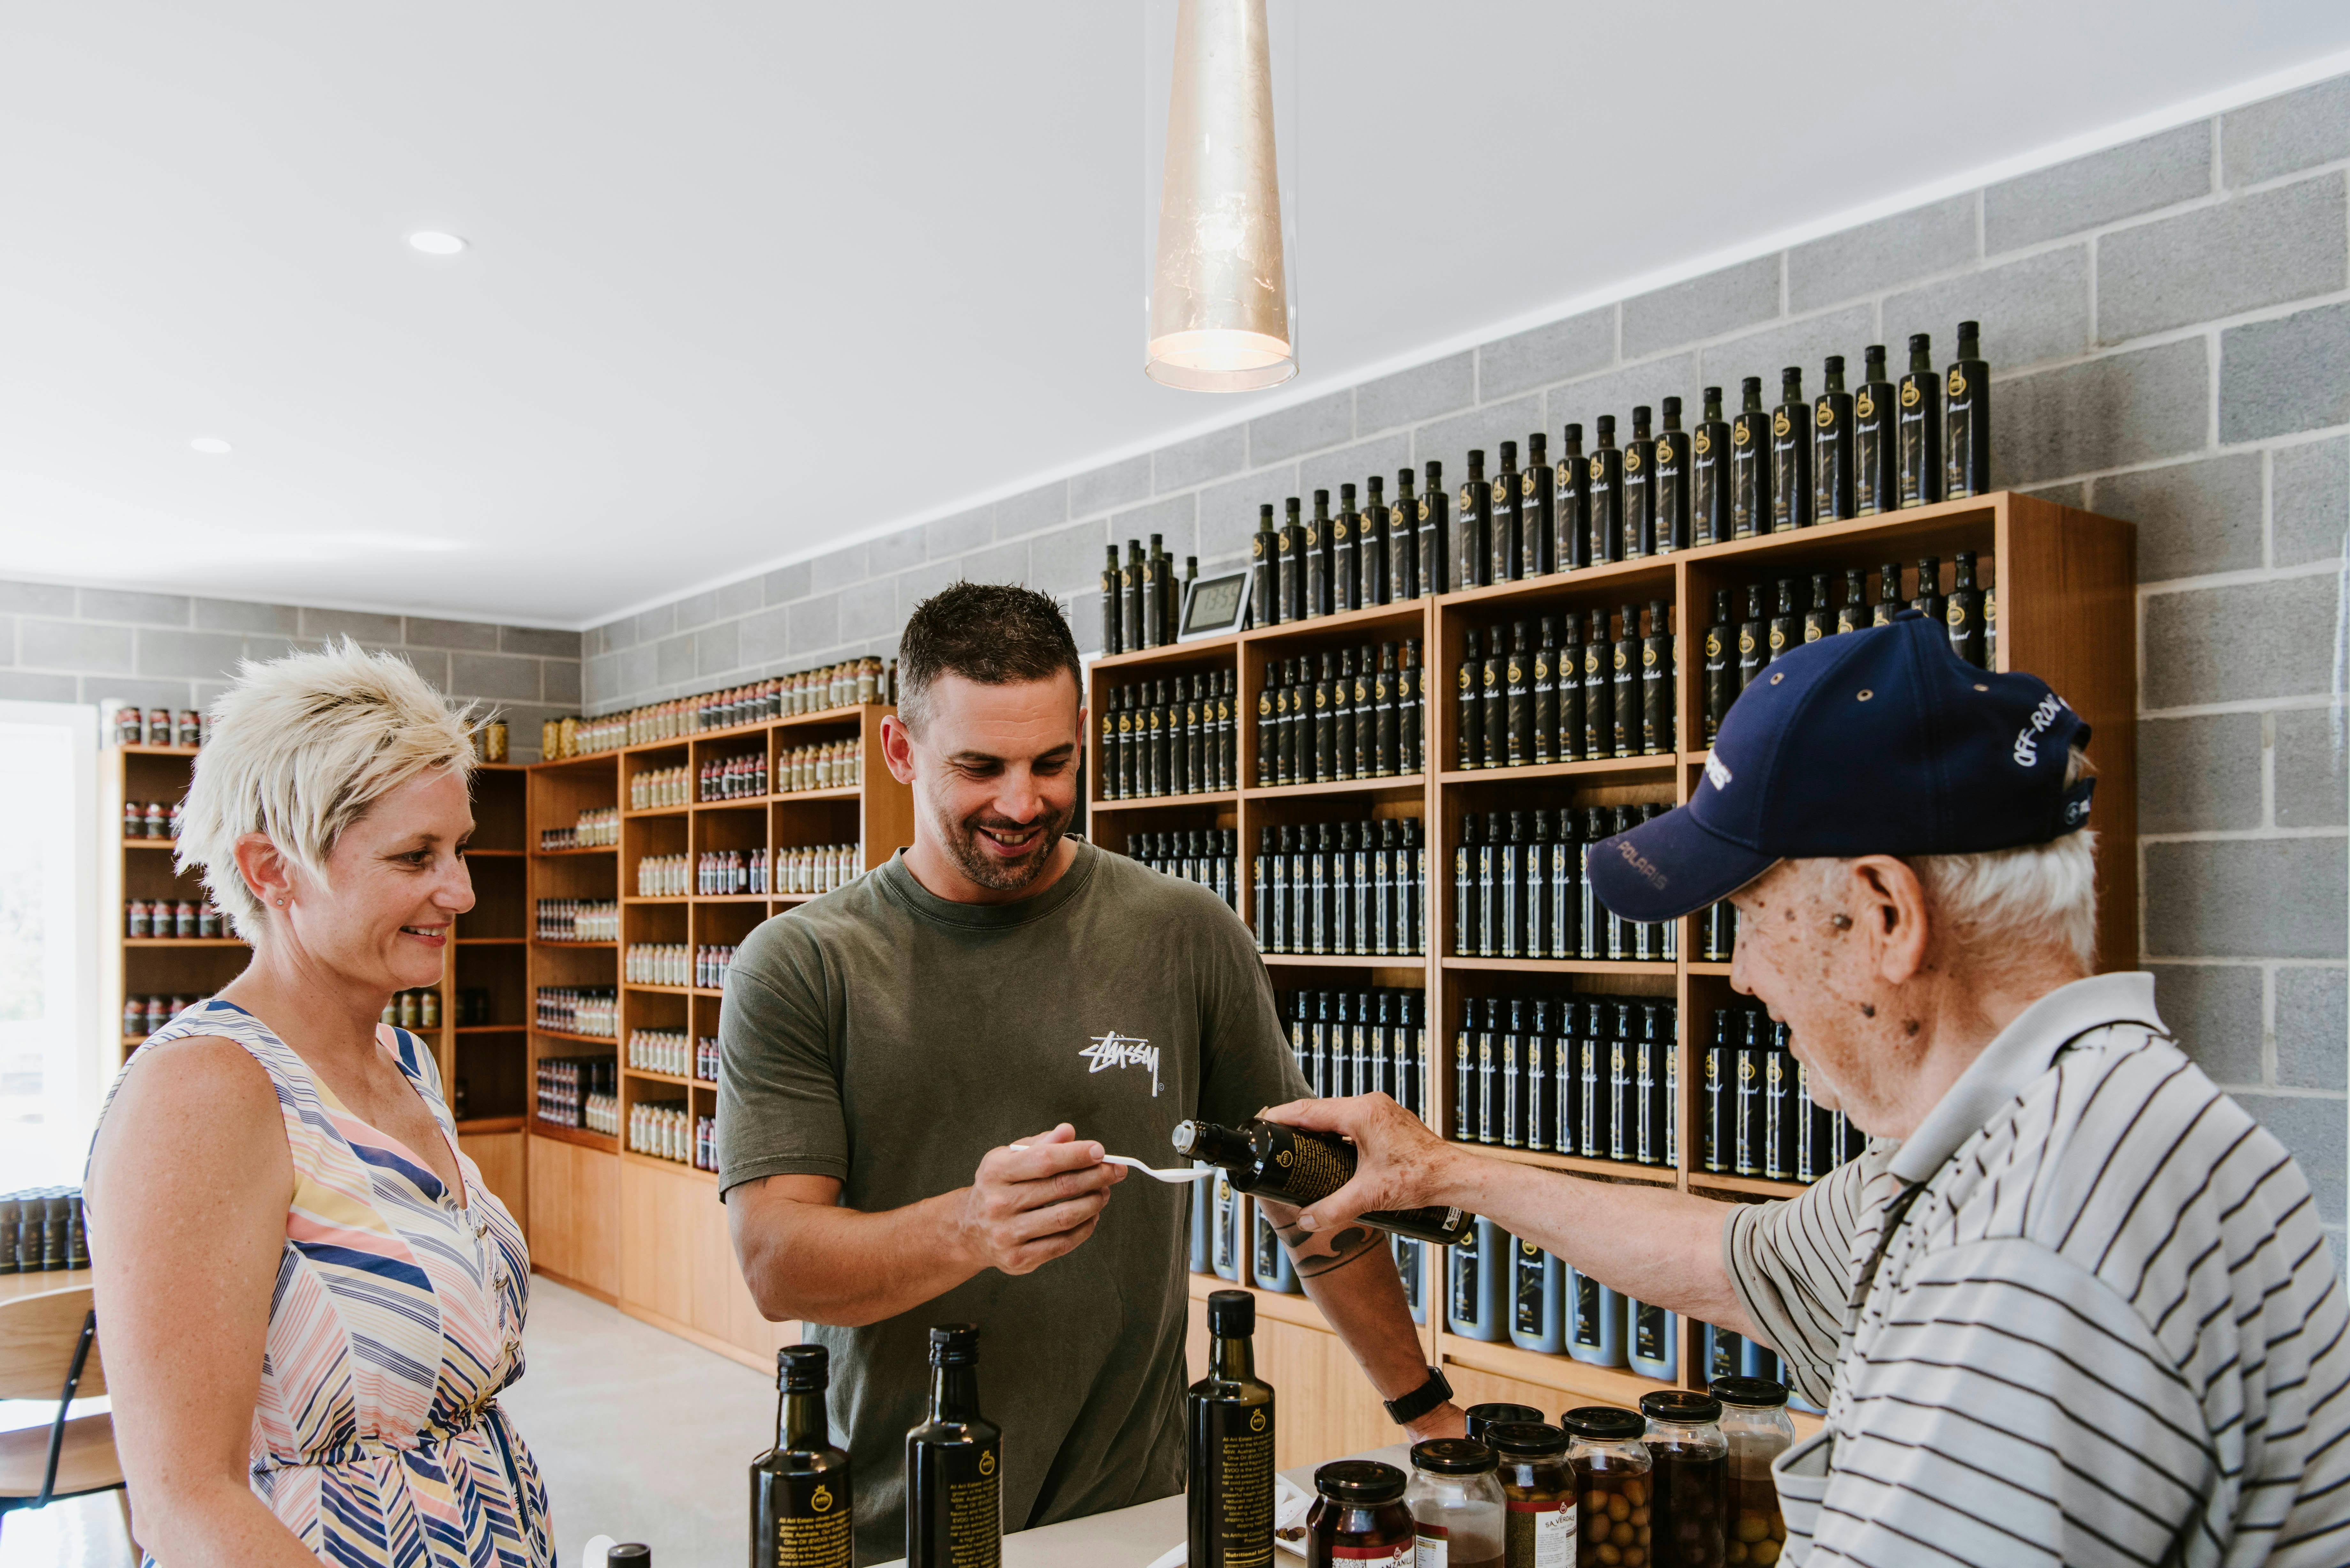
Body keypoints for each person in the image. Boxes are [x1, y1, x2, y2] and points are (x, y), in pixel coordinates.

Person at [1271, 609, 2350, 1567]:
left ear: (1886, 915)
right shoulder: (2034, 1130)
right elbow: (1734, 1261)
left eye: (1747, 915)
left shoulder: (2032, 1248)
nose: (1741, 975)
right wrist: (1443, 1170)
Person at [719, 583, 1460, 1564]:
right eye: (980, 767)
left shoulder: (1187, 935)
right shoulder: (799, 965)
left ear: (1082, 736)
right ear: (901, 750)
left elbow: (1310, 1198)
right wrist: (970, 1228)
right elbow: (777, 1263)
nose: (1021, 803)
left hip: (1137, 1517)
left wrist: (1426, 1409)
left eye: (1051, 763)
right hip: (900, 1530)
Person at [85, 641, 551, 1568]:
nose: (461, 892)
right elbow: (184, 1506)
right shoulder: (206, 1093)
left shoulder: (403, 1059)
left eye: (459, 849)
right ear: (272, 869)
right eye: (415, 857)